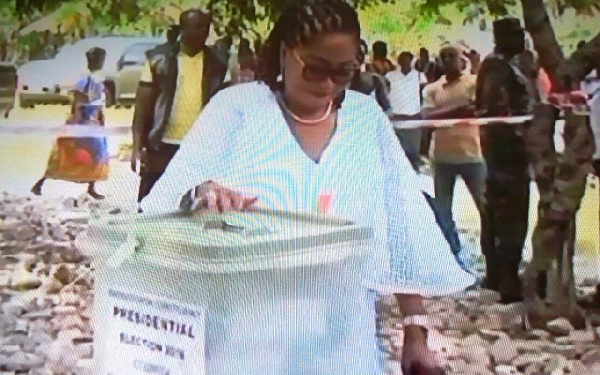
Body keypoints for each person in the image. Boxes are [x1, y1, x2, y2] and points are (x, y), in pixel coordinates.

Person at [143, 1, 474, 373]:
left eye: (343, 73)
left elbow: (403, 226)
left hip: (344, 344)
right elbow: (165, 202)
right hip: (243, 343)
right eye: (315, 70)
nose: (328, 85)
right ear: (285, 52)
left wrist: (415, 331)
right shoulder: (236, 109)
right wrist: (201, 193)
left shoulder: (366, 119)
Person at [131, 9, 228, 211]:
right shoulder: (158, 59)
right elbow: (143, 107)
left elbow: (225, 107)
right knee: (149, 204)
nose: (201, 34)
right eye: (195, 29)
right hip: (162, 145)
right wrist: (137, 145)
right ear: (182, 30)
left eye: (204, 29)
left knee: (193, 209)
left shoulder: (218, 63)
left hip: (200, 147)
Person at [476, 17, 536, 303]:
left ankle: (499, 276)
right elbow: (499, 113)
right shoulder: (499, 67)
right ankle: (505, 281)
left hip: (502, 154)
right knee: (509, 217)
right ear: (502, 37)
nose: (522, 38)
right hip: (507, 156)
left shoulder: (504, 64)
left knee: (498, 216)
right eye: (516, 34)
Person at [421, 44, 486, 271]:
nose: (447, 61)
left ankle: (492, 258)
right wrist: (458, 110)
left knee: (485, 207)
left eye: (452, 56)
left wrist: (445, 114)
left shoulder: (473, 83)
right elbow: (427, 116)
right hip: (442, 157)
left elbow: (475, 108)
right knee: (443, 210)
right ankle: (453, 256)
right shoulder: (432, 89)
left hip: (472, 155)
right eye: (443, 57)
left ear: (462, 60)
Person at [31, 47, 109, 199]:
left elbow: (99, 103)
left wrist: (100, 119)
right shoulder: (85, 80)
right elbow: (78, 102)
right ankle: (41, 182)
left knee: (97, 154)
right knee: (67, 153)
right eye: (98, 59)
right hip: (84, 120)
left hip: (94, 119)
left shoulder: (98, 79)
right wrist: (77, 123)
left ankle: (91, 186)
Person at [387, 51, 422, 169]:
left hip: (414, 120)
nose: (405, 62)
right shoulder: (390, 76)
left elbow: (422, 94)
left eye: (408, 60)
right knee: (397, 155)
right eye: (402, 59)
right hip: (396, 120)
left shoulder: (419, 76)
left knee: (413, 155)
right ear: (398, 61)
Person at [349, 39, 391, 112]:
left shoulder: (375, 79)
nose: (358, 57)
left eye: (361, 53)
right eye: (355, 53)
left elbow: (386, 108)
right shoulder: (336, 80)